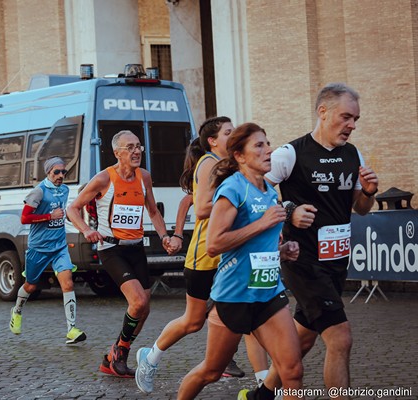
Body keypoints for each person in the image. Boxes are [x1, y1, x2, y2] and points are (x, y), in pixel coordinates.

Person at [246, 83, 379, 400]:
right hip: (302, 261)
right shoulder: (291, 154)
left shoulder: (353, 154)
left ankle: (262, 395)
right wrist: (289, 211)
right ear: (323, 112)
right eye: (346, 117)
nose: (352, 125)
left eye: (355, 119)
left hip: (336, 263)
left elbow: (359, 208)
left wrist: (370, 192)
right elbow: (252, 192)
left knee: (302, 339)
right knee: (340, 338)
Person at [177, 122, 303, 400]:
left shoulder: (270, 193)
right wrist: (262, 224)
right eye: (259, 145)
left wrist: (283, 251)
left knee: (292, 371)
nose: (269, 150)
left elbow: (261, 244)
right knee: (211, 371)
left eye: (268, 143)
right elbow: (214, 244)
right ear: (240, 156)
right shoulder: (232, 188)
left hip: (268, 293)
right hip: (234, 297)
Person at [136, 118, 253, 394]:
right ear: (212, 140)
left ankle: (264, 383)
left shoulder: (231, 165)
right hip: (204, 256)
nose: (233, 134)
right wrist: (241, 201)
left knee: (250, 315)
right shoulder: (209, 163)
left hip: (228, 254)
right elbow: (200, 209)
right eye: (228, 132)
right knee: (193, 320)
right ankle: (150, 357)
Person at [66, 130, 180, 378]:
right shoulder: (103, 179)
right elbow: (72, 209)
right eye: (130, 147)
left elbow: (152, 211)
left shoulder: (144, 177)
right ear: (117, 153)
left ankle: (111, 357)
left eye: (138, 146)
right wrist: (86, 230)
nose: (136, 151)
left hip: (136, 247)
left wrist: (164, 237)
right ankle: (121, 353)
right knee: (137, 302)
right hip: (111, 248)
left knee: (144, 307)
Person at [8, 157, 87, 345]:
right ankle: (17, 311)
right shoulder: (39, 192)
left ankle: (72, 329)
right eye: (56, 172)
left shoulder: (65, 190)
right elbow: (24, 219)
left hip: (59, 246)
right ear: (48, 172)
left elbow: (62, 215)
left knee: (67, 283)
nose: (61, 176)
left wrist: (66, 219)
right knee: (31, 285)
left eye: (63, 172)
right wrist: (48, 216)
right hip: (39, 248)